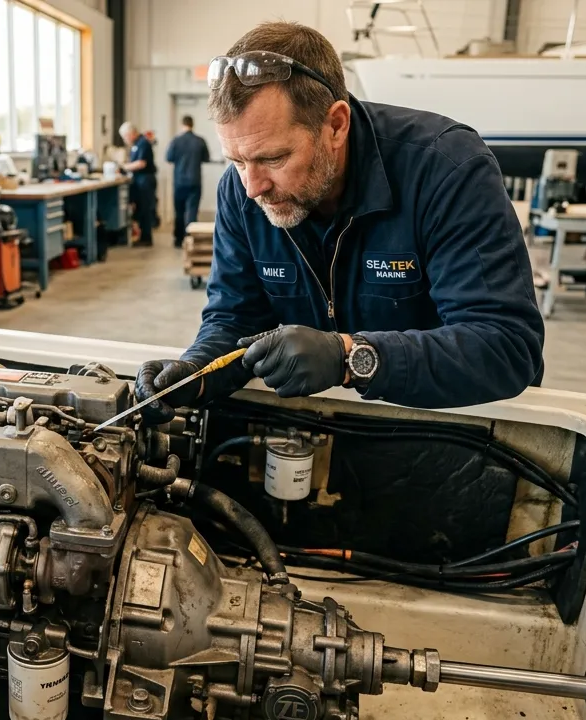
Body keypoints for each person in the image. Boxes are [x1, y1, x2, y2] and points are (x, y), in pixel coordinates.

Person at [135, 21, 544, 421]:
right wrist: (196, 373)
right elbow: (234, 319)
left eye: (274, 159)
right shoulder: (238, 193)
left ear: (335, 124)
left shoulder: (446, 169)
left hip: (442, 430)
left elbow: (506, 347)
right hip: (315, 431)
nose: (252, 188)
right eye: (237, 161)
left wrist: (350, 356)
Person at [166, 115, 212, 248]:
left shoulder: (176, 141)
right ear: (192, 124)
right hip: (194, 181)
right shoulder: (200, 141)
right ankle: (190, 239)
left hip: (179, 181)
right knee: (192, 210)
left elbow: (168, 158)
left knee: (179, 211)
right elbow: (206, 158)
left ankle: (178, 239)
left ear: (182, 124)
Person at [119, 121, 157, 246]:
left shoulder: (143, 143)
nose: (125, 140)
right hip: (139, 181)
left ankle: (146, 239)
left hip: (145, 181)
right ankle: (142, 236)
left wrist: (124, 167)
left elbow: (141, 163)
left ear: (132, 133)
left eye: (125, 137)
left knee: (145, 210)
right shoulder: (136, 145)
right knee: (140, 209)